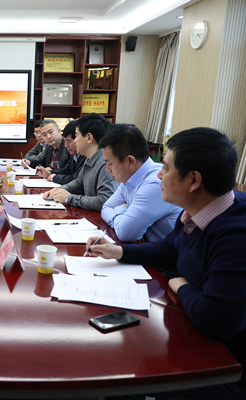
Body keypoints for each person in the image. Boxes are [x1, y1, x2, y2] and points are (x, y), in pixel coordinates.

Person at [90, 128, 246, 400]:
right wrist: (118, 252)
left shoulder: (235, 234)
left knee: (120, 372)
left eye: (166, 167)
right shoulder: (196, 210)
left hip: (223, 364)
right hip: (189, 328)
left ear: (193, 180)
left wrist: (178, 283)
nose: (159, 175)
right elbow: (168, 247)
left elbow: (216, 320)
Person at [99, 124, 181, 242]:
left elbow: (125, 233)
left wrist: (120, 209)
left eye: (110, 163)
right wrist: (124, 212)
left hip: (168, 253)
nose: (107, 169)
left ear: (130, 161)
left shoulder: (155, 184)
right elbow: (106, 208)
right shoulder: (129, 178)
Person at [44, 113, 117, 211]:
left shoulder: (106, 163)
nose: (75, 141)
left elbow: (105, 201)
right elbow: (78, 183)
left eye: (77, 135)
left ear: (89, 138)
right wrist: (59, 190)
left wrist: (68, 198)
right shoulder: (90, 158)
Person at [39, 120, 86, 184]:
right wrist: (50, 172)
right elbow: (66, 170)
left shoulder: (86, 156)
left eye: (68, 141)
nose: (66, 145)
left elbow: (76, 179)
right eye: (44, 134)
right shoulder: (74, 154)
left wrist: (55, 178)